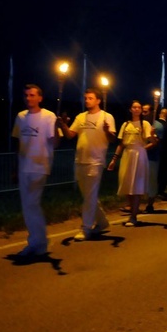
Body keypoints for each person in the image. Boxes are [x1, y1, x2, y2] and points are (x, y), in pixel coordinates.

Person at [60, 88, 116, 241]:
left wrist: (107, 131)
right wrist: (63, 125)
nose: (87, 100)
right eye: (85, 98)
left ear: (98, 100)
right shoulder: (81, 117)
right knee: (88, 196)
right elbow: (70, 135)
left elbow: (112, 139)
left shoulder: (107, 117)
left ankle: (86, 228)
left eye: (90, 98)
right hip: (80, 160)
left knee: (89, 196)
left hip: (95, 161)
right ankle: (103, 222)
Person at [11, 84, 59, 256]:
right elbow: (18, 143)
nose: (28, 98)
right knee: (29, 205)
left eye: (32, 95)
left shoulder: (48, 116)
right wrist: (15, 168)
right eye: (26, 95)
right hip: (24, 166)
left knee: (32, 203)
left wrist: (58, 128)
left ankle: (37, 243)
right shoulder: (21, 117)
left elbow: (55, 142)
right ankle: (39, 241)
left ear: (40, 97)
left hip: (40, 166)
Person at [108, 100, 155, 226]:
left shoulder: (144, 124)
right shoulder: (126, 124)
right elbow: (121, 144)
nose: (137, 109)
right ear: (130, 109)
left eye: (139, 107)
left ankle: (133, 217)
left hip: (139, 155)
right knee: (127, 184)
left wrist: (150, 139)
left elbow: (153, 142)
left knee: (137, 185)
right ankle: (133, 210)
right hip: (127, 155)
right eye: (134, 107)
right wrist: (114, 159)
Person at [141, 103, 162, 212]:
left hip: (152, 158)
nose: (143, 114)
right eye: (142, 111)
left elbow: (156, 142)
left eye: (145, 111)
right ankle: (134, 204)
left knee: (151, 181)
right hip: (140, 158)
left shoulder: (157, 126)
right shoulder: (141, 124)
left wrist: (142, 149)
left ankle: (150, 204)